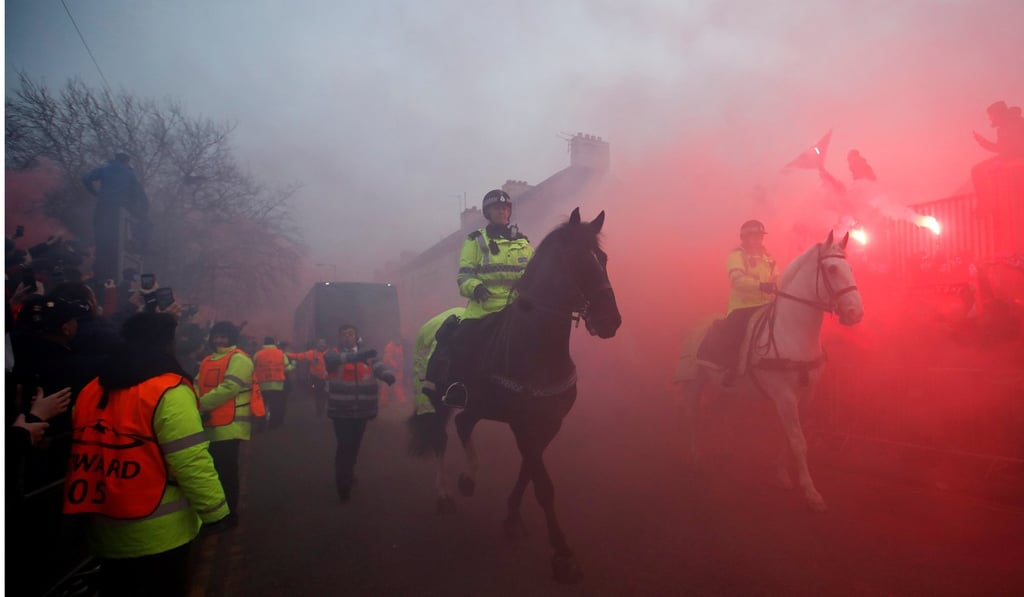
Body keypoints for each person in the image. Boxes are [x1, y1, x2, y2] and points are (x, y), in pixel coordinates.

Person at [63, 312, 228, 597]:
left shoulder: (91, 390)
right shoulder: (168, 390)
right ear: (166, 344)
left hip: (103, 530)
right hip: (160, 535)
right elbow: (190, 460)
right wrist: (216, 513)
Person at [425, 189, 534, 402]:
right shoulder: (475, 241)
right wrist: (475, 288)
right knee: (460, 341)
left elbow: (535, 272)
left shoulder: (523, 242)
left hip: (516, 308)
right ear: (487, 212)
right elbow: (464, 277)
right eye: (496, 208)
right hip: (484, 309)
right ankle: (457, 387)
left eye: (504, 208)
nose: (501, 212)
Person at [196, 321, 259, 528]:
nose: (219, 340)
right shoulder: (207, 360)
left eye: (223, 336)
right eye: (216, 336)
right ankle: (219, 514)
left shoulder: (239, 359)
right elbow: (196, 384)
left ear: (232, 338)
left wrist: (199, 405)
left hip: (230, 427)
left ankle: (230, 515)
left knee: (226, 474)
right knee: (215, 473)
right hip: (210, 425)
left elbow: (230, 388)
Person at [323, 324, 395, 503]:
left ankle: (349, 470)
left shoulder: (367, 355)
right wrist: (359, 355)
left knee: (354, 445)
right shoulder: (332, 355)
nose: (347, 337)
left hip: (362, 411)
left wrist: (386, 375)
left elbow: (378, 366)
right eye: (344, 334)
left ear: (357, 336)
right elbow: (337, 360)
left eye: (351, 334)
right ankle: (343, 484)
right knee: (344, 445)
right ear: (339, 338)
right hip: (341, 411)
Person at [718, 220, 779, 385]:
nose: (757, 240)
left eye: (759, 236)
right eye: (753, 236)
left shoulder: (768, 258)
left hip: (767, 304)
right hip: (743, 306)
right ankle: (729, 369)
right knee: (736, 333)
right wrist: (760, 286)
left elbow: (776, 277)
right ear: (744, 238)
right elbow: (737, 280)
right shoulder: (736, 256)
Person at [81, 152, 149, 287]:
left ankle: (100, 269)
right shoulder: (130, 173)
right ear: (126, 161)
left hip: (103, 206)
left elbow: (85, 179)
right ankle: (114, 273)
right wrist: (136, 209)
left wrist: (94, 193)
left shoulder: (105, 168)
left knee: (100, 236)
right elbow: (137, 193)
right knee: (117, 240)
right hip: (119, 210)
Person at [253, 336, 289, 430]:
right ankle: (274, 425)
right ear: (274, 344)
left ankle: (261, 425)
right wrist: (293, 366)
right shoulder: (281, 353)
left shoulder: (258, 354)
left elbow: (252, 367)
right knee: (275, 406)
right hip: (277, 385)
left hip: (262, 385)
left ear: (264, 344)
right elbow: (287, 368)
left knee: (262, 406)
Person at [288, 338, 329, 417]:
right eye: (320, 343)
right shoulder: (312, 353)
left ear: (326, 345)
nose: (321, 345)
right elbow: (299, 356)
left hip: (327, 380)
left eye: (323, 343)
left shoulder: (330, 353)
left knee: (324, 396)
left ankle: (322, 411)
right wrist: (286, 354)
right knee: (317, 396)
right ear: (317, 344)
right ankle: (319, 412)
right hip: (316, 379)